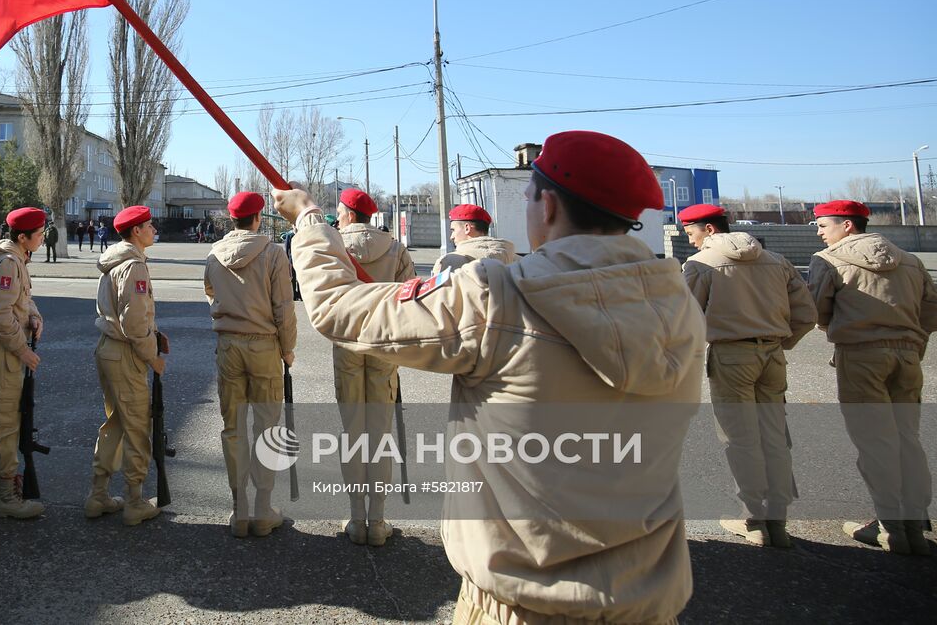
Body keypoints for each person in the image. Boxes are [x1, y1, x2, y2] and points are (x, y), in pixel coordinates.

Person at [273, 130, 704, 623]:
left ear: (549, 207)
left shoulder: (495, 297)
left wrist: (309, 221)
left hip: (520, 604)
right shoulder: (678, 305)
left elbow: (337, 311)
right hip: (642, 601)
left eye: (530, 193)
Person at [678, 202, 816, 548]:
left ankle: (754, 520)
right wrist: (780, 343)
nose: (691, 240)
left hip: (731, 356)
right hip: (772, 355)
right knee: (774, 435)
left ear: (709, 229)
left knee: (740, 437)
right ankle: (778, 521)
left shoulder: (701, 264)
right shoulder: (775, 260)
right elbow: (806, 313)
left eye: (691, 232)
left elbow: (685, 320)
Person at [808, 199, 937, 555]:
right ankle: (914, 525)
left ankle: (890, 527)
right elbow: (931, 312)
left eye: (822, 226)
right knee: (908, 438)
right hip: (908, 356)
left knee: (874, 441)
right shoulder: (910, 260)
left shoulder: (829, 261)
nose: (820, 234)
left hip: (861, 355)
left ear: (846, 226)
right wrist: (908, 338)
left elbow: (816, 309)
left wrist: (839, 326)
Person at [205, 192, 297, 538]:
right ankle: (262, 510)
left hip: (229, 344)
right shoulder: (273, 254)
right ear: (258, 218)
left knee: (233, 427)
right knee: (266, 427)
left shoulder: (214, 254)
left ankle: (238, 510)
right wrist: (288, 349)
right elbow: (284, 308)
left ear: (233, 220)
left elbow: (211, 293)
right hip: (263, 346)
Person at [331, 186, 415, 546]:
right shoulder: (396, 249)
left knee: (352, 431)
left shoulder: (334, 246)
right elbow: (411, 296)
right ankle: (378, 521)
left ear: (349, 215)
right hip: (383, 343)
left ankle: (356, 518)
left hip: (348, 340)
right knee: (379, 434)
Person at [87, 204, 166, 525]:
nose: (153, 230)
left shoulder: (117, 262)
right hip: (125, 352)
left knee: (116, 423)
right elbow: (133, 322)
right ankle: (135, 500)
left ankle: (98, 494)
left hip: (109, 348)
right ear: (136, 231)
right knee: (136, 426)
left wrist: (156, 333)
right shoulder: (133, 266)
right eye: (149, 226)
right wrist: (153, 357)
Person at [0, 207, 48, 520]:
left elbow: (18, 302)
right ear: (23, 237)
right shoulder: (8, 261)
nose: (43, 238)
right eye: (40, 234)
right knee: (6, 426)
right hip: (3, 349)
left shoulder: (17, 258)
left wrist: (33, 314)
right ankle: (7, 495)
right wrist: (23, 349)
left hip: (3, 348)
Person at [432, 204, 516, 274]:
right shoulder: (517, 261)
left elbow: (437, 294)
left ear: (467, 228)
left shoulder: (447, 263)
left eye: (453, 230)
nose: (451, 237)